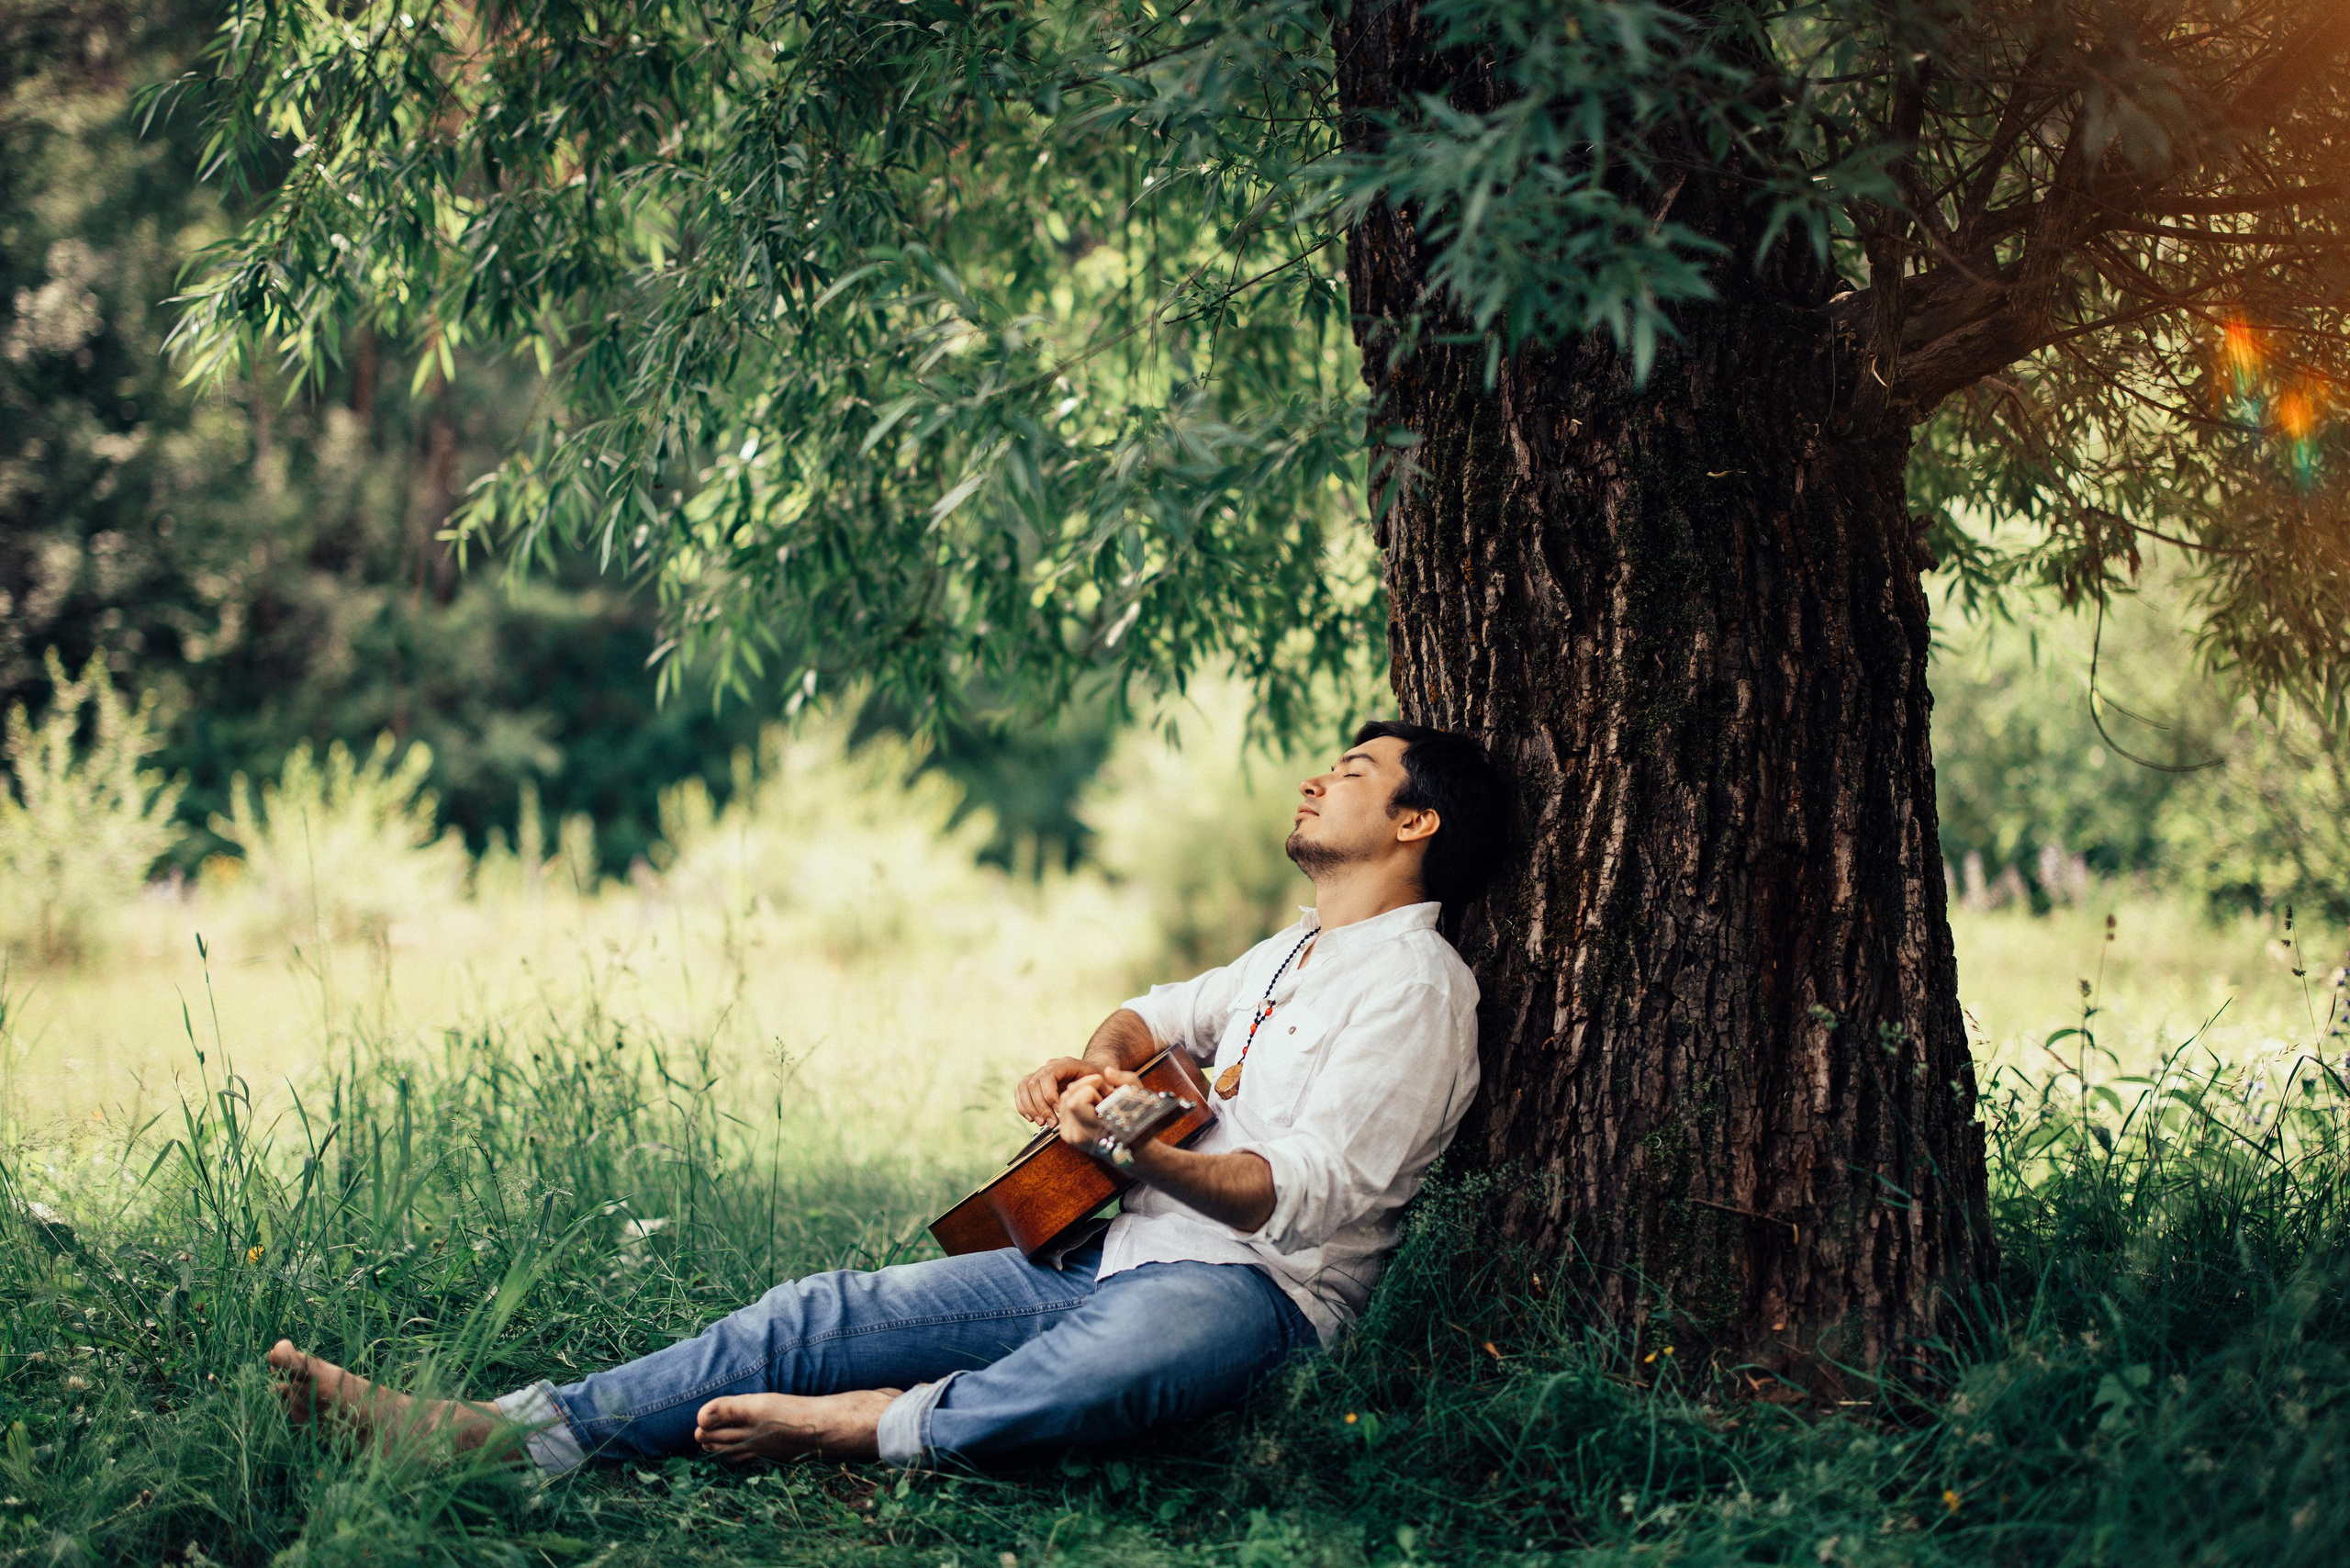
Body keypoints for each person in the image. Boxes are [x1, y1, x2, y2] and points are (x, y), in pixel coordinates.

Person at [267, 719, 1509, 1472]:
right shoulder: (1291, 949)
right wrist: (1092, 1071)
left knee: (1104, 1369)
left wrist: (1145, 1155)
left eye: (1352, 770)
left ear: (1418, 820)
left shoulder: (1414, 986)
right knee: (815, 1311)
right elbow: (1152, 1014)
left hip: (1256, 1294)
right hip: (1106, 1248)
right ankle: (509, 1434)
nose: (1316, 781)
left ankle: (870, 1429)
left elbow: (1304, 1197)